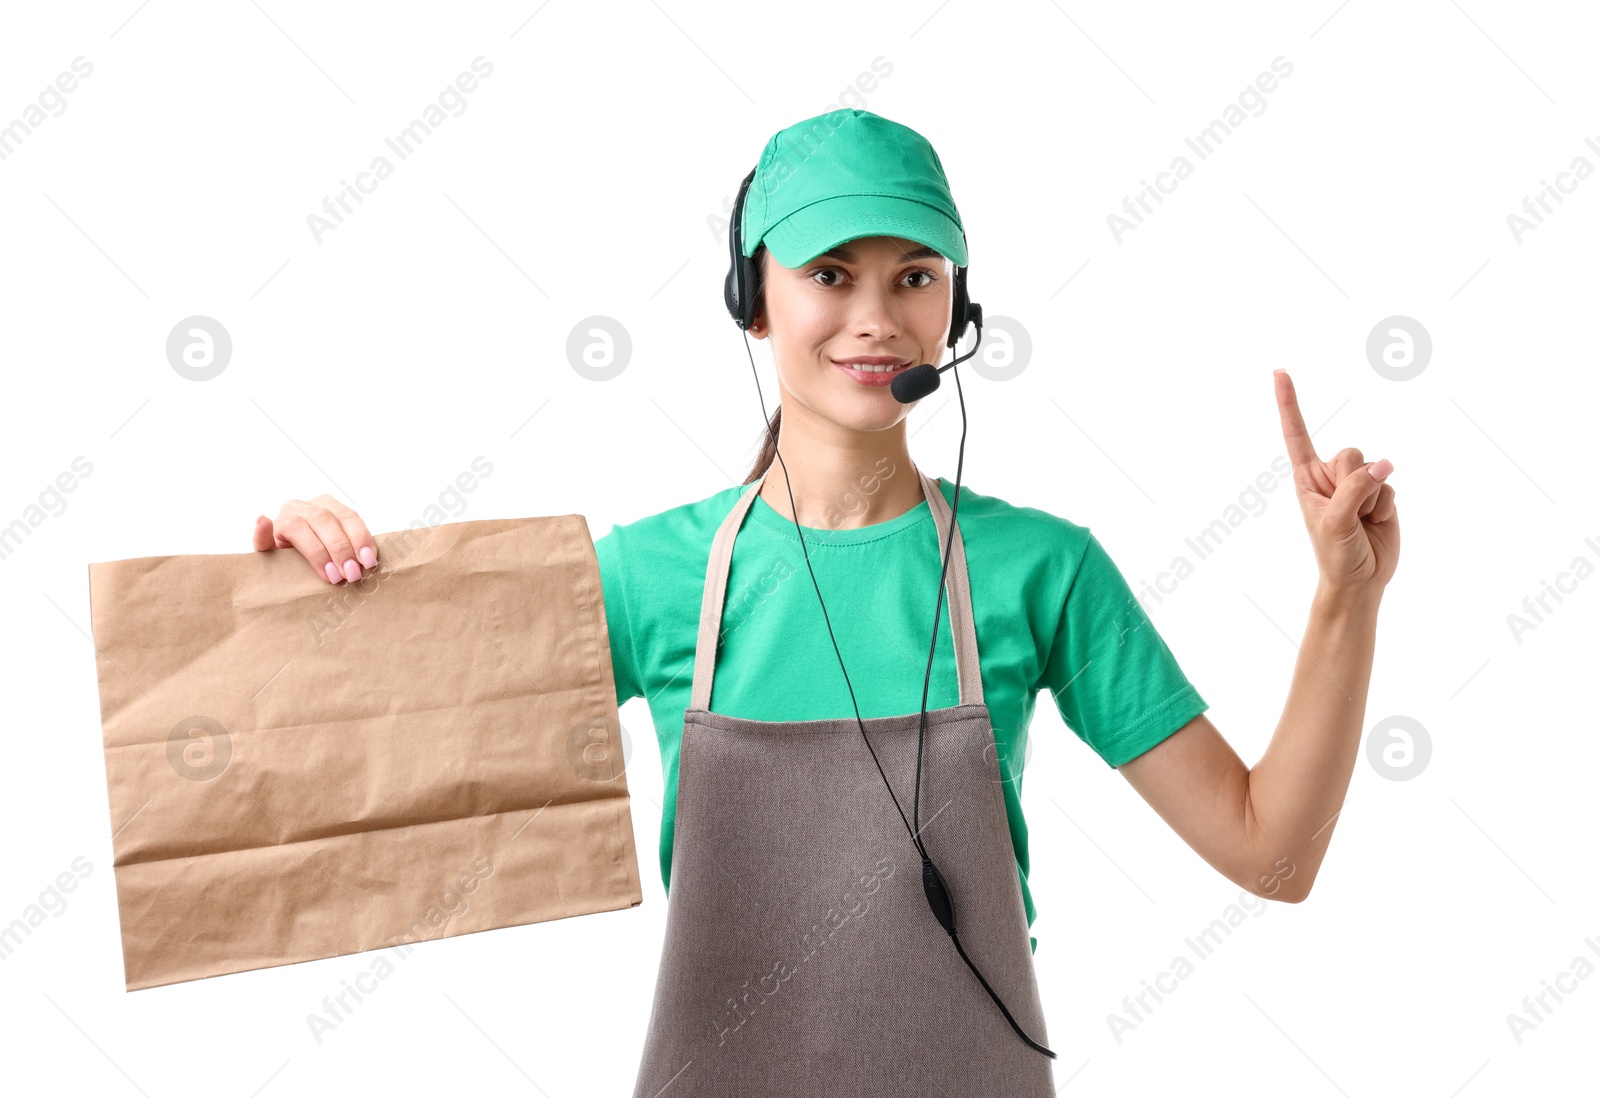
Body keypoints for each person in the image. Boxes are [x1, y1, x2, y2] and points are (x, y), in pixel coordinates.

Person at [250, 110, 1399, 1093]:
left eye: (914, 276)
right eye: (828, 273)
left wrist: (1345, 602)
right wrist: (308, 592)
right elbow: (371, 782)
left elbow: (1268, 857)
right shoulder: (649, 575)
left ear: (956, 309)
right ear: (752, 300)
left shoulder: (1041, 570)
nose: (875, 315)